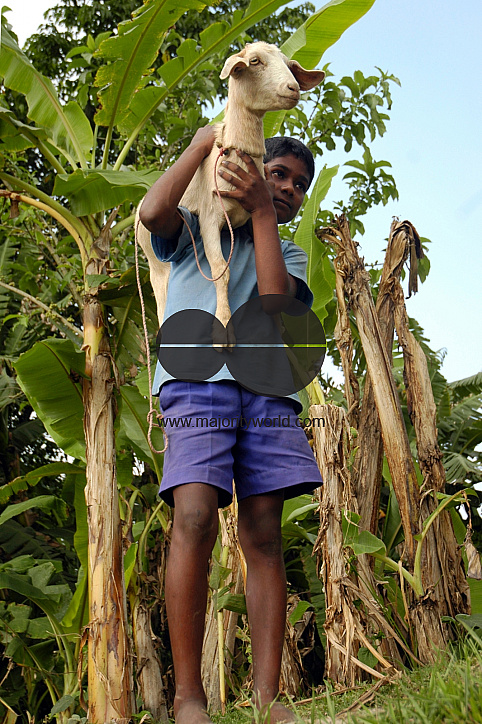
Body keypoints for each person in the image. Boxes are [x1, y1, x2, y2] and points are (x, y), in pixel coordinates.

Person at [139, 127, 323, 724]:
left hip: (267, 389)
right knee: (193, 516)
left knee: (264, 533)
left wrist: (266, 211)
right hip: (196, 380)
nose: (290, 188)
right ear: (246, 164)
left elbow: (275, 301)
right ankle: (190, 699)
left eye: (300, 183)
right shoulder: (195, 229)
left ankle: (270, 701)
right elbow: (151, 211)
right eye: (279, 175)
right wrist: (201, 143)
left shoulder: (289, 254)